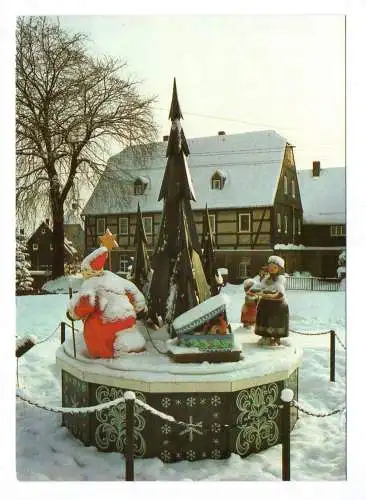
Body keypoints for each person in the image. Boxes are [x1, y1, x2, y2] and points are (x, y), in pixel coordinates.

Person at [67, 246, 147, 358]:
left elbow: (86, 304)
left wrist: (72, 313)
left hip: (104, 328)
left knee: (95, 330)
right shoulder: (116, 278)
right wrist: (139, 309)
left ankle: (100, 357)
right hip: (128, 323)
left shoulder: (91, 283)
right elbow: (138, 300)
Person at [254, 255, 289, 346]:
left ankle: (276, 338)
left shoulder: (281, 279)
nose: (271, 269)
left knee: (276, 322)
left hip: (277, 306)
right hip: (266, 305)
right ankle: (265, 337)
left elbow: (279, 292)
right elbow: (259, 287)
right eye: (270, 267)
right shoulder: (266, 278)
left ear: (279, 268)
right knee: (265, 320)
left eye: (274, 267)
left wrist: (267, 293)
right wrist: (255, 290)